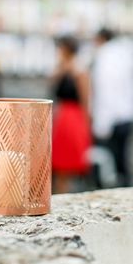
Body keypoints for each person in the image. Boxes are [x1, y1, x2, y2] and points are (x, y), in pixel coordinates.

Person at [92, 28, 133, 187]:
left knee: (108, 160)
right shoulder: (125, 55)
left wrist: (102, 123)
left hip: (112, 117)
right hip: (127, 114)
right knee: (122, 158)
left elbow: (105, 90)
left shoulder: (105, 58)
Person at [51, 36, 91, 193]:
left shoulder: (80, 71)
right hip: (60, 116)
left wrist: (86, 125)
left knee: (66, 163)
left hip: (72, 118)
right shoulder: (61, 69)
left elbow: (85, 99)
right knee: (58, 162)